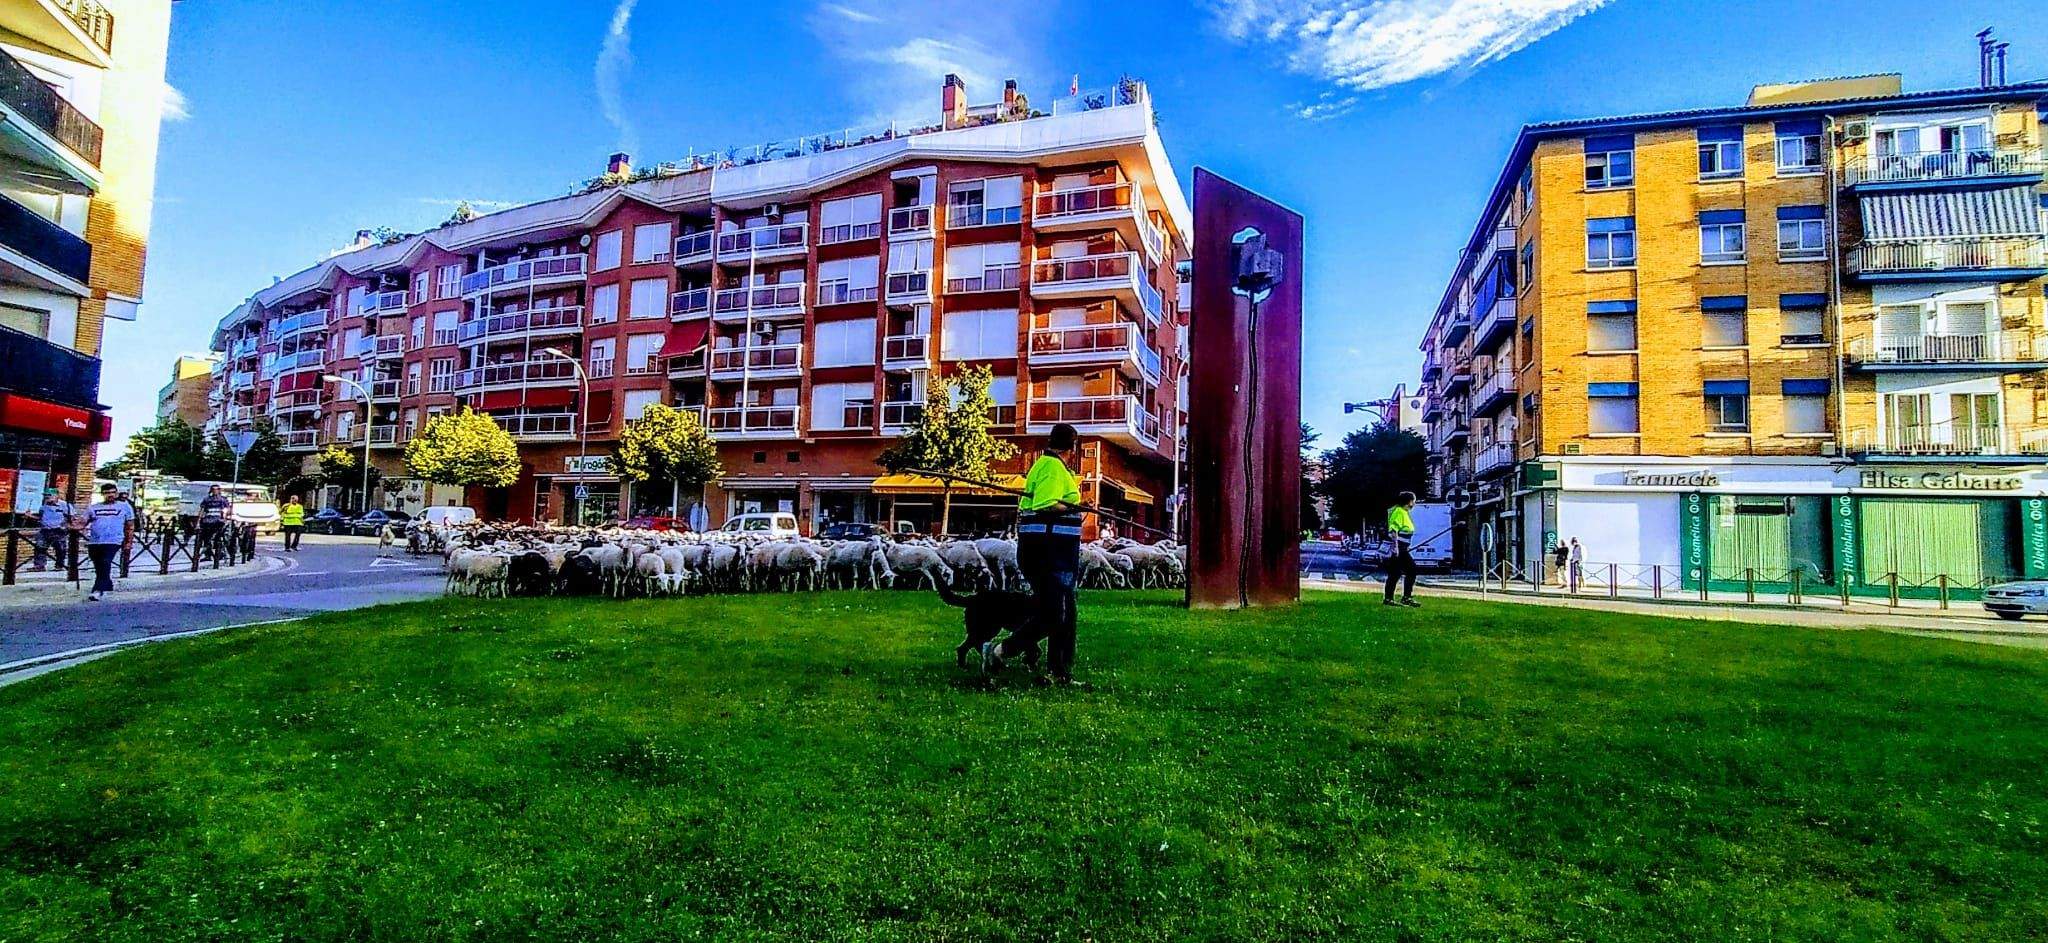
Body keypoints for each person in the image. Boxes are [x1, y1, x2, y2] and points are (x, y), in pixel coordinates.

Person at [982, 422, 1084, 684]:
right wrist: (1076, 506)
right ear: (1071, 448)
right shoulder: (1052, 467)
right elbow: (1045, 503)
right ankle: (999, 651)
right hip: (1050, 552)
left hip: (1047, 551)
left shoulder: (1044, 465)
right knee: (1055, 614)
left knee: (1064, 613)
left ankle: (1059, 672)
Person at [82, 483, 134, 601]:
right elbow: (83, 522)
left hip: (113, 540)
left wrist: (128, 542)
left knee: (105, 562)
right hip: (95, 541)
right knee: (98, 564)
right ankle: (108, 584)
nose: (110, 495)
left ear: (116, 493)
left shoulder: (125, 507)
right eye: (107, 493)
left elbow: (130, 526)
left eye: (112, 492)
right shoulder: (94, 507)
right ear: (102, 494)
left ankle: (98, 589)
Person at [1383, 491, 1420, 607]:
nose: (1414, 503)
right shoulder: (1399, 512)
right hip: (1399, 548)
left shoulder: (1403, 512)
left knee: (1396, 573)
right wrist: (1396, 547)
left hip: (1403, 547)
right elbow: (1394, 530)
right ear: (1409, 502)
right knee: (1410, 570)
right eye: (1413, 500)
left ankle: (1390, 598)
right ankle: (1404, 597)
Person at [31, 488, 74, 572]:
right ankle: (39, 566)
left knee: (60, 549)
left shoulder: (65, 505)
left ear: (56, 496)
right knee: (39, 547)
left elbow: (71, 517)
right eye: (45, 495)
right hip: (45, 530)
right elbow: (40, 518)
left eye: (49, 495)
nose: (47, 497)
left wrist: (66, 526)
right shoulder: (43, 507)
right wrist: (30, 516)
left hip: (59, 530)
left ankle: (59, 565)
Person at [198, 485, 232, 561]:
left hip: (218, 521)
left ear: (219, 491)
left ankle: (219, 553)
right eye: (213, 489)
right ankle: (208, 554)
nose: (215, 491)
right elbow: (202, 510)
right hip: (208, 521)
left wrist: (225, 517)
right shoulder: (207, 499)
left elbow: (228, 509)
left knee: (218, 538)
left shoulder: (223, 500)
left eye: (217, 489)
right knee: (206, 538)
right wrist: (199, 520)